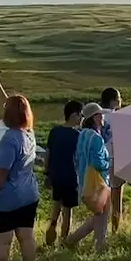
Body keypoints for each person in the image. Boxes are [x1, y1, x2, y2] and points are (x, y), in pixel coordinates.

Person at [0, 94, 40, 261]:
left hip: (8, 196)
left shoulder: (10, 139)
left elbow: (2, 172)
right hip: (29, 194)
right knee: (27, 237)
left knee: (3, 241)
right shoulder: (29, 134)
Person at [64, 103, 112, 253]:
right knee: (103, 215)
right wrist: (108, 163)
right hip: (99, 182)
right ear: (95, 117)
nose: (103, 117)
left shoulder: (83, 134)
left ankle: (73, 240)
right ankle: (99, 247)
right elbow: (98, 162)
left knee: (99, 215)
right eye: (100, 115)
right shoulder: (96, 138)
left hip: (85, 181)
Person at [44, 101, 83, 247]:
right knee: (68, 211)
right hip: (71, 177)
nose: (81, 118)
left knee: (57, 204)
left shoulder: (54, 131)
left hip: (56, 176)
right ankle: (64, 240)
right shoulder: (77, 135)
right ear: (74, 115)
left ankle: (52, 226)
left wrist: (46, 173)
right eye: (80, 115)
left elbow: (48, 153)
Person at [100, 87, 125, 233]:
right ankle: (115, 230)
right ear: (113, 101)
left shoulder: (97, 117)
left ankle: (101, 231)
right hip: (116, 159)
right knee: (117, 200)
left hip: (101, 161)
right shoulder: (119, 117)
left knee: (102, 201)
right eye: (119, 98)